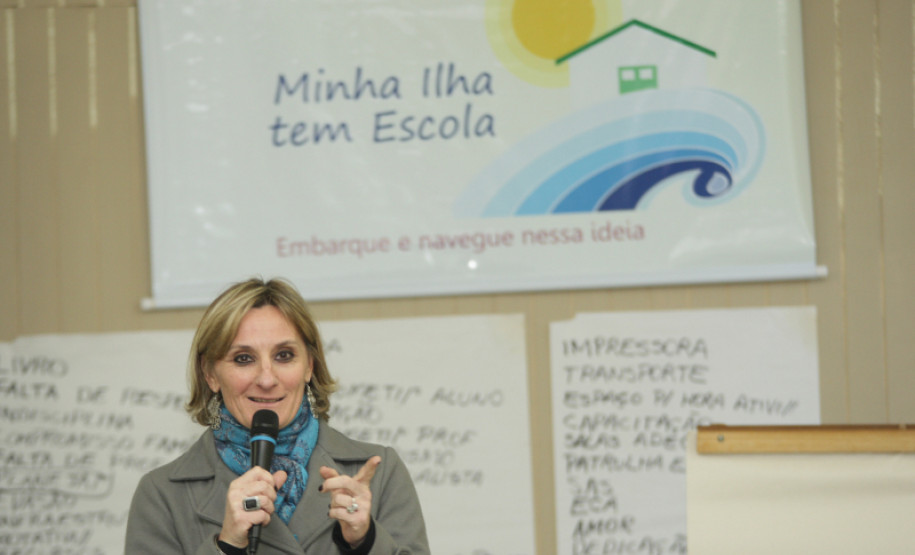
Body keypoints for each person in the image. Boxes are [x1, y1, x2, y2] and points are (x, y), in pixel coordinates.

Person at [126, 278, 430, 554]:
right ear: (210, 374)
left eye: (284, 355)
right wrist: (227, 545)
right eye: (243, 359)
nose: (267, 379)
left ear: (309, 365)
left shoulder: (380, 473)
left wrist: (366, 541)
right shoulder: (162, 495)